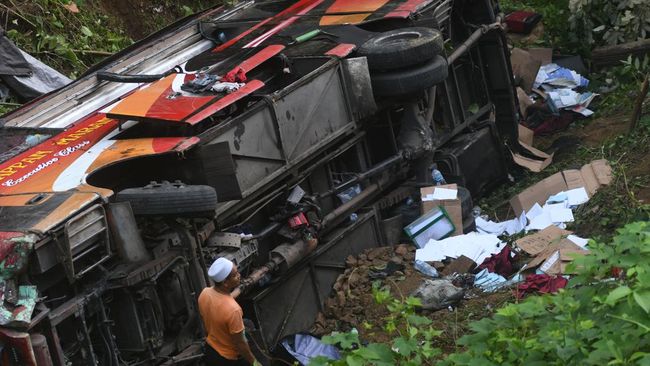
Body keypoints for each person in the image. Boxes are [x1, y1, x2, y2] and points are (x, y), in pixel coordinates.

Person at [199, 257, 260, 365]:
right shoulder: (234, 310)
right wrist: (253, 362)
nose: (239, 275)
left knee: (247, 323)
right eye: (235, 275)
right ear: (225, 283)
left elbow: (217, 305)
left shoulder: (205, 293)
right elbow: (240, 344)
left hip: (211, 349)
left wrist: (239, 289)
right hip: (227, 359)